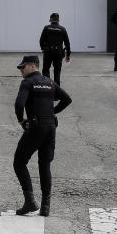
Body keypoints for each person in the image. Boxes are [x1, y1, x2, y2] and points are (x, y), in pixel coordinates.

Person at [12, 55, 72, 217]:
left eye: (22, 67)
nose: (21, 70)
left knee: (19, 162)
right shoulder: (49, 82)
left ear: (32, 66)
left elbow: (19, 104)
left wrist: (21, 121)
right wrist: (53, 112)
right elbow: (67, 99)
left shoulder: (28, 82)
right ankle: (46, 206)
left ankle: (30, 202)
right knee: (44, 164)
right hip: (51, 126)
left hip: (36, 127)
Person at [39, 12, 71, 85]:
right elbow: (67, 43)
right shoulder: (62, 29)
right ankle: (57, 90)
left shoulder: (46, 28)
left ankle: (47, 87)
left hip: (48, 52)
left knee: (46, 70)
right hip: (58, 53)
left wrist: (43, 49)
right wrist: (68, 55)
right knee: (57, 71)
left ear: (51, 19)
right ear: (58, 20)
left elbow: (41, 40)